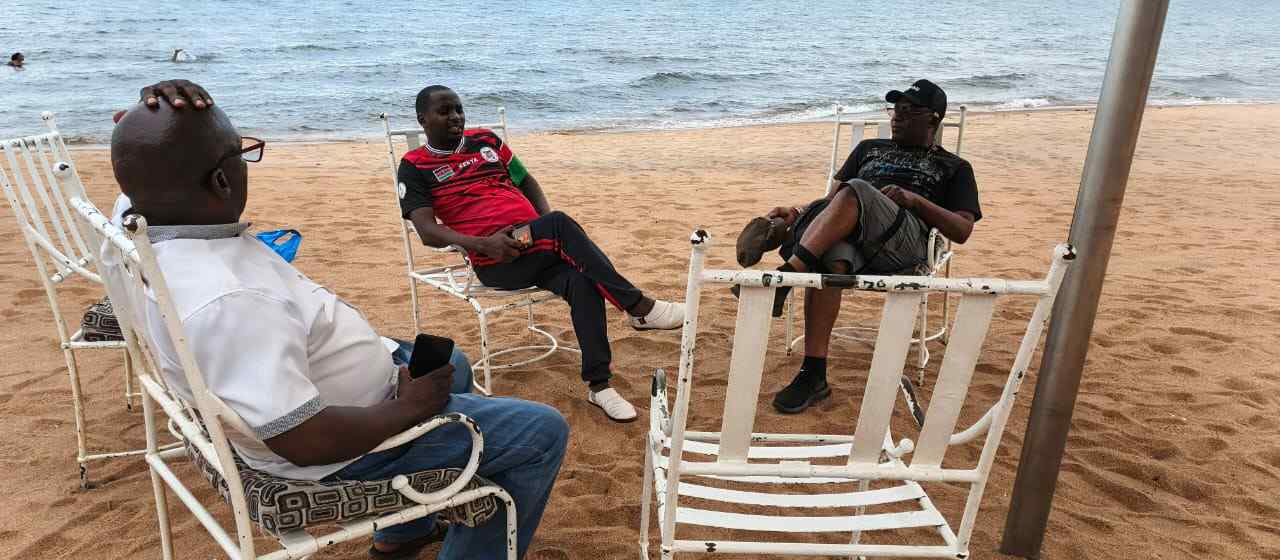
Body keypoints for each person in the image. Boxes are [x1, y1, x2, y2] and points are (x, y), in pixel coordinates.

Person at [105, 80, 568, 560]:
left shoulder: (142, 225)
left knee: (454, 364)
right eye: (242, 154)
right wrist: (407, 410)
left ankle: (404, 534)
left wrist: (146, 120)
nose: (246, 164)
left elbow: (143, 167)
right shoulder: (229, 298)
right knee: (542, 432)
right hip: (341, 452)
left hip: (336, 393)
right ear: (221, 182)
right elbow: (303, 439)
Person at [396, 85, 684, 423]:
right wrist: (482, 244)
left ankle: (599, 386)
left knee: (581, 280)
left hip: (534, 241)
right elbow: (427, 231)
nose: (455, 116)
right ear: (422, 119)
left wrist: (542, 227)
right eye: (444, 111)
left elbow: (527, 181)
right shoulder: (414, 166)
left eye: (459, 109)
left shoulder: (487, 141)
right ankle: (638, 307)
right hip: (495, 257)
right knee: (559, 224)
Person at [735, 79, 982, 414]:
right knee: (829, 257)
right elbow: (832, 201)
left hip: (904, 243)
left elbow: (963, 230)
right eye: (895, 109)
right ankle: (813, 375)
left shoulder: (954, 166)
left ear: (933, 119)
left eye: (909, 111)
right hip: (854, 237)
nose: (897, 117)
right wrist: (797, 212)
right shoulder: (868, 149)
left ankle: (787, 274)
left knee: (857, 189)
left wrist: (914, 201)